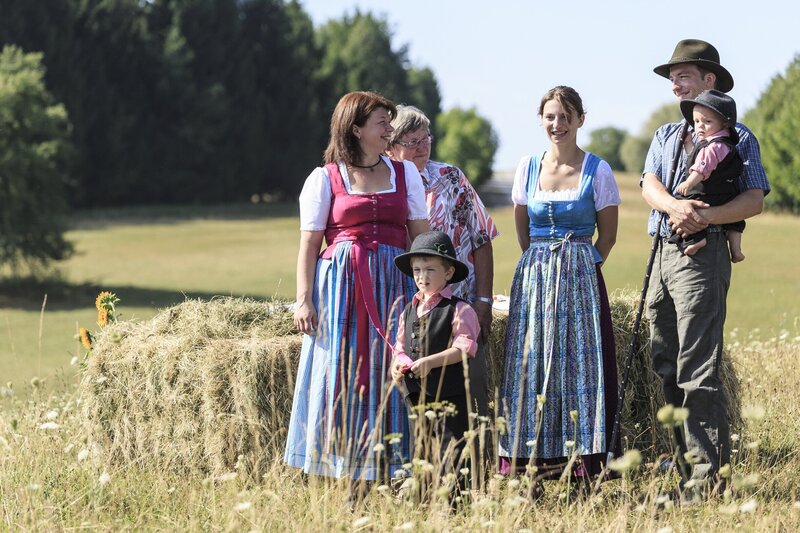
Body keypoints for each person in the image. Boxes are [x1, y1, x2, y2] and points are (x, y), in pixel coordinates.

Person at [285, 92, 430, 495]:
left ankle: (391, 470)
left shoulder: (406, 174)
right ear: (356, 129)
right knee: (343, 371)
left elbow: (420, 237)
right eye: (382, 122)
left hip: (395, 284)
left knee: (392, 368)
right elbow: (309, 245)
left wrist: (429, 292)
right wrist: (304, 299)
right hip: (342, 289)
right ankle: (347, 477)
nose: (389, 130)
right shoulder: (325, 178)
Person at [641, 39, 770, 489]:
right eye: (673, 78)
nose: (675, 85)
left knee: (698, 366)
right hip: (661, 251)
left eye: (683, 76)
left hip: (705, 252)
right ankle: (683, 465)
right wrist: (675, 208)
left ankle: (705, 479)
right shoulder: (665, 134)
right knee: (665, 362)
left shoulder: (738, 136)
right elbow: (649, 184)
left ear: (708, 79)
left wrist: (704, 217)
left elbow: (753, 200)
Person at [500, 86, 620, 491]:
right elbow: (523, 231)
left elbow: (608, 237)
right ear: (541, 120)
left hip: (581, 276)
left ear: (581, 120)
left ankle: (584, 469)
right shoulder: (527, 168)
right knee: (531, 366)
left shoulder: (597, 170)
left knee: (581, 368)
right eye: (551, 116)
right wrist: (541, 263)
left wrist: (580, 265)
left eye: (566, 116)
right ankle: (530, 468)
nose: (558, 124)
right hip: (535, 277)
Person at [386, 105, 498, 427]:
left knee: (466, 402)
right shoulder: (385, 184)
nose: (422, 147)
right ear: (390, 146)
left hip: (455, 310)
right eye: (412, 141)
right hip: (408, 312)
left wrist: (483, 302)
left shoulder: (451, 178)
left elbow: (482, 237)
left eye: (426, 139)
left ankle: (472, 457)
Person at [390, 230, 480, 498]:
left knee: (452, 447)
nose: (422, 276)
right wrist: (398, 363)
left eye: (430, 269)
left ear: (448, 272)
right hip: (417, 395)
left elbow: (464, 347)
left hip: (450, 395)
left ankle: (454, 502)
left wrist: (431, 362)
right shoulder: (409, 309)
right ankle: (425, 498)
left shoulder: (459, 309)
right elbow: (399, 346)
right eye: (417, 270)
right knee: (422, 446)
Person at [669, 89, 745, 261]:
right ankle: (736, 249)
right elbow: (695, 158)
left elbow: (701, 168)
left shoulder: (713, 147)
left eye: (707, 121)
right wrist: (689, 143)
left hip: (709, 193)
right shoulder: (723, 144)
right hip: (728, 193)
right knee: (735, 222)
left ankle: (697, 239)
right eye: (696, 121)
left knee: (685, 206)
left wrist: (688, 183)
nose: (700, 126)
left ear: (724, 124)